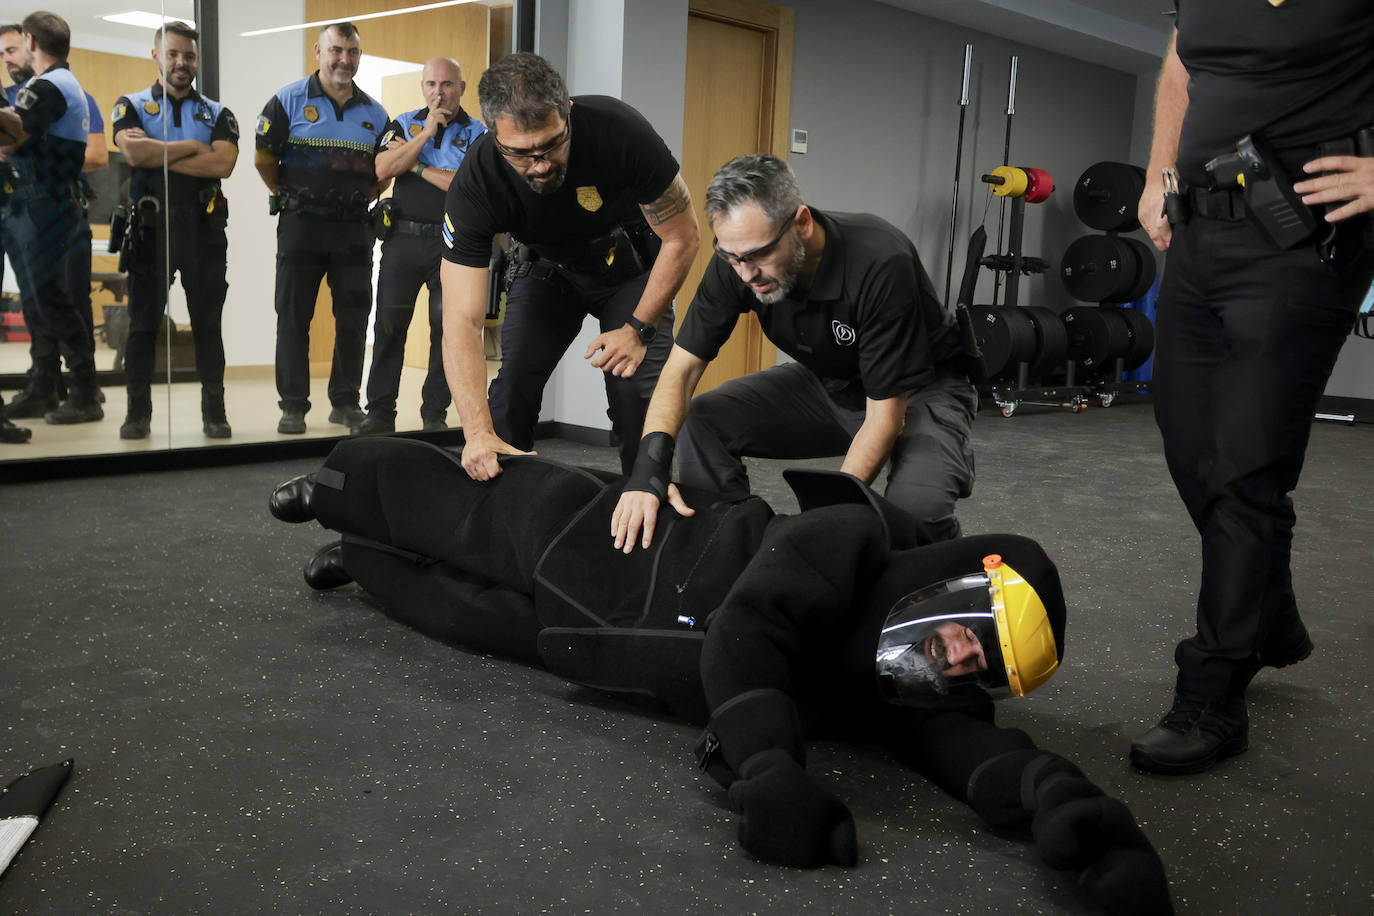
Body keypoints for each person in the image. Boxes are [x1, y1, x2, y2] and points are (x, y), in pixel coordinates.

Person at [268, 436, 1171, 916]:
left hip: (604, 652)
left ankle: (357, 558)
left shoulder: (910, 679)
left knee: (450, 614)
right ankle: (333, 490)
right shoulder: (853, 539)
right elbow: (750, 628)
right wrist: (771, 768)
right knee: (468, 514)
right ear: (961, 584)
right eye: (977, 631)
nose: (965, 658)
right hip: (617, 551)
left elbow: (968, 747)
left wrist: (1065, 805)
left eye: (988, 666)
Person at [1131, 1, 1374, 775]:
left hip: (1303, 237)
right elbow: (1180, 62)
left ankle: (1212, 689)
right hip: (1200, 229)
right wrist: (1154, 173)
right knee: (1186, 437)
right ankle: (1269, 611)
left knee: (1246, 461)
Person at [612, 154, 975, 554]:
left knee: (916, 513)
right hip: (828, 384)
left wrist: (815, 528)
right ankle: (725, 550)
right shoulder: (736, 263)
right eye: (732, 257)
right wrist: (648, 473)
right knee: (704, 419)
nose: (746, 274)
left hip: (919, 391)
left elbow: (884, 420)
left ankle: (948, 592)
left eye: (757, 255)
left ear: (801, 223)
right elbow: (679, 372)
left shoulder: (879, 262)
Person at [439, 52, 699, 479]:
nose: (540, 165)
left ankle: (648, 501)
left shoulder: (620, 131)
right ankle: (506, 513)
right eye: (522, 154)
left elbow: (683, 236)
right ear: (492, 133)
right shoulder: (478, 183)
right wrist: (476, 432)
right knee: (509, 395)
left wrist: (638, 329)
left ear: (568, 112)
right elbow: (461, 322)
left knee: (635, 396)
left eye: (551, 144)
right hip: (547, 270)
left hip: (629, 270)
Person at [255, 21, 388, 435]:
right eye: (336, 51)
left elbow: (382, 172)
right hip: (302, 226)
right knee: (293, 317)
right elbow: (263, 159)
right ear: (319, 51)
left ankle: (345, 403)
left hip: (353, 229)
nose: (343, 60)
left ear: (358, 57)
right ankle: (293, 405)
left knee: (353, 317)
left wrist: (363, 195)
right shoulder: (288, 101)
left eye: (351, 52)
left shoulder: (375, 113)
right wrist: (290, 194)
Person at [111, 20, 238, 440]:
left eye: (188, 55)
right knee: (143, 325)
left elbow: (223, 164)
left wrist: (155, 152)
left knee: (207, 324)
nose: (181, 62)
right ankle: (137, 415)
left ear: (197, 60)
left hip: (203, 230)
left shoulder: (218, 112)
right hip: (150, 228)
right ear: (156, 56)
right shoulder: (129, 104)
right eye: (172, 54)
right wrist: (191, 147)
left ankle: (214, 414)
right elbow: (130, 151)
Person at [355, 56, 484, 435]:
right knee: (389, 327)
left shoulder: (479, 134)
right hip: (403, 244)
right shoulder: (404, 123)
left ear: (461, 88)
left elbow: (466, 186)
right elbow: (381, 170)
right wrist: (425, 135)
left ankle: (435, 414)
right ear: (423, 87)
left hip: (453, 246)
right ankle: (379, 412)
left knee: (447, 331)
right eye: (431, 84)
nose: (438, 92)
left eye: (446, 85)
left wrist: (412, 163)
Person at [0, 21, 108, 421]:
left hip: (46, 206)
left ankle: (83, 393)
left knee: (54, 302)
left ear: (30, 41)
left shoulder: (50, 86)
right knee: (38, 303)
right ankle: (45, 388)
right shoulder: (57, 84)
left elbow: (16, 132)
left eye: (16, 47)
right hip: (34, 206)